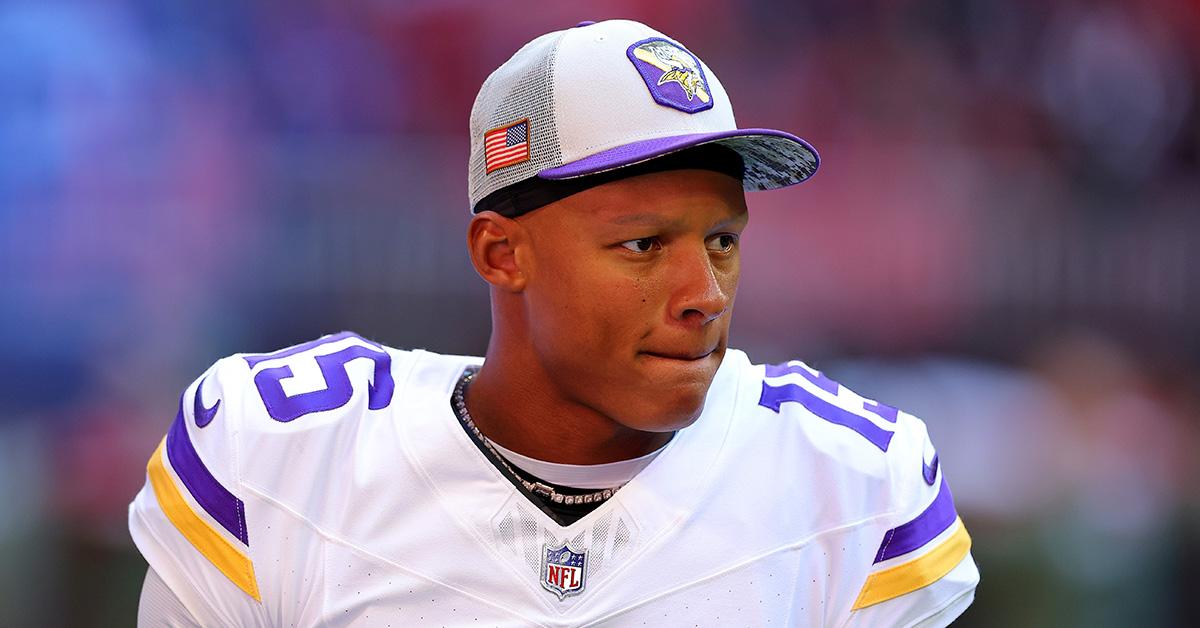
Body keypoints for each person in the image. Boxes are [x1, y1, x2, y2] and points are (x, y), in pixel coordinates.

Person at [129, 19, 978, 626]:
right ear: (502, 254)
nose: (704, 293)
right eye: (643, 244)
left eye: (721, 240)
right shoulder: (281, 452)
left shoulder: (857, 487)